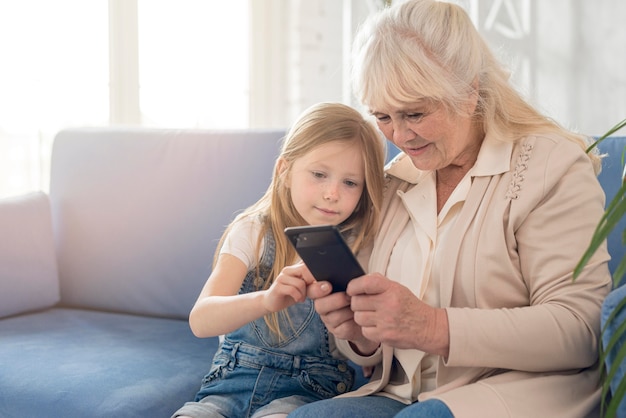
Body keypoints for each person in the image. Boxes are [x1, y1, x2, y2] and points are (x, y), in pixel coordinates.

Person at [287, 1, 613, 417]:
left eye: (416, 113)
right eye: (383, 116)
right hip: (401, 393)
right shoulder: (394, 180)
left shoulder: (553, 165)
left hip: (516, 391)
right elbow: (373, 350)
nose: (400, 136)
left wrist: (432, 326)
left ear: (469, 91)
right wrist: (360, 334)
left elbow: (580, 329)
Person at [171, 102, 386, 418]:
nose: (332, 193)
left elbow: (369, 346)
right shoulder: (253, 231)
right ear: (284, 171)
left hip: (309, 389)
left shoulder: (361, 246)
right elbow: (201, 320)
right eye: (319, 174)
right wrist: (267, 300)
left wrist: (366, 345)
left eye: (350, 182)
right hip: (231, 382)